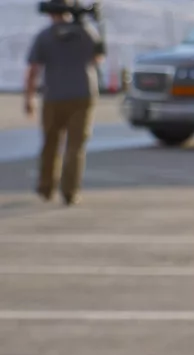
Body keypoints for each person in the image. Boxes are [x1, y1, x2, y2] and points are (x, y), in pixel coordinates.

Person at [24, 0, 105, 206]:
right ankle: (70, 191)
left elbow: (33, 69)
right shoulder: (85, 32)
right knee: (75, 146)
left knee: (50, 143)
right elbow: (98, 57)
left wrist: (29, 97)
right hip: (82, 94)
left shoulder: (45, 36)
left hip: (53, 95)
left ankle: (46, 187)